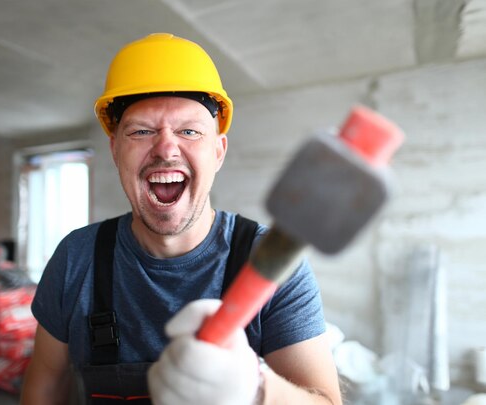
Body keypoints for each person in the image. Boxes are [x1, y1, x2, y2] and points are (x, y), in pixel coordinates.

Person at [20, 33, 342, 405]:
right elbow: (43, 390)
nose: (166, 148)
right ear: (114, 150)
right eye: (141, 131)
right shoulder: (77, 258)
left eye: (189, 131)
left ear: (218, 151)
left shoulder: (271, 261)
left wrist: (257, 388)